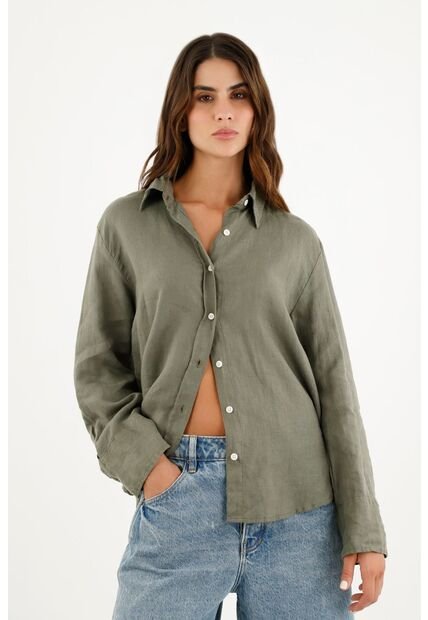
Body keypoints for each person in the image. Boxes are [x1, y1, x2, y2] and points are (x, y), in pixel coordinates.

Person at [73, 32, 387, 619]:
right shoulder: (126, 227)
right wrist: (152, 471)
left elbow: (337, 392)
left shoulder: (296, 242)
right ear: (180, 110)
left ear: (257, 109)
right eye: (205, 96)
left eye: (238, 95)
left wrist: (363, 529)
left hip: (300, 513)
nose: (223, 111)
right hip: (178, 502)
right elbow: (98, 371)